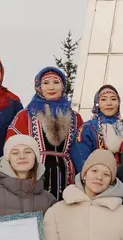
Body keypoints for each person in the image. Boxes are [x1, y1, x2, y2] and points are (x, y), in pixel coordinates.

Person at [7, 67, 84, 201]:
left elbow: (80, 149)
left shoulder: (75, 118)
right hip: (33, 176)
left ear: (63, 86)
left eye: (56, 82)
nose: (51, 87)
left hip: (67, 177)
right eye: (46, 83)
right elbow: (11, 147)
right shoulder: (25, 116)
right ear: (39, 87)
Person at [74, 84, 123, 171]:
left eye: (113, 99)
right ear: (97, 103)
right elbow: (81, 158)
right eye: (103, 99)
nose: (109, 103)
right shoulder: (87, 129)